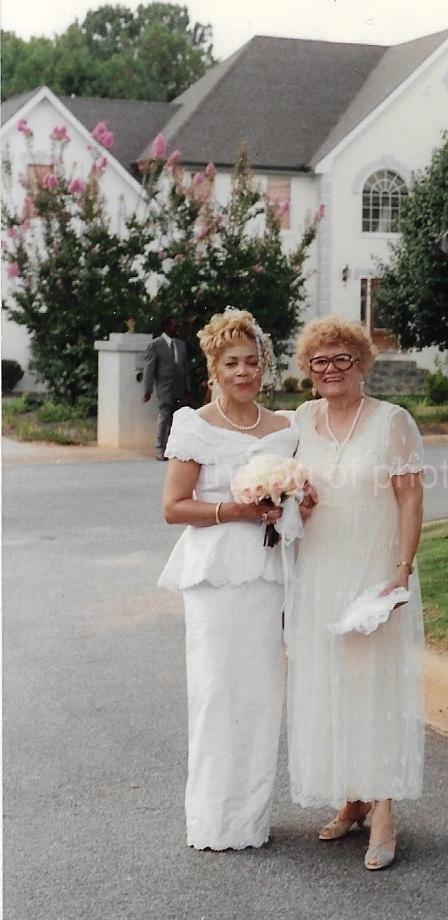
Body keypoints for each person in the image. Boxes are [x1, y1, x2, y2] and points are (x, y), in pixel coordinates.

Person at [158, 308, 301, 851]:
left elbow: (299, 502)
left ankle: (251, 820)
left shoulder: (286, 430)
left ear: (263, 365)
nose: (243, 372)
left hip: (267, 574)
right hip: (216, 576)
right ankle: (214, 821)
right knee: (218, 694)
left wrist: (294, 500)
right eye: (231, 363)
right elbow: (173, 507)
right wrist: (235, 512)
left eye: (251, 362)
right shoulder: (193, 425)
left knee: (263, 693)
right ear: (213, 371)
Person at [286, 316, 426, 871]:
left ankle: (385, 810)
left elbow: (411, 498)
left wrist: (402, 567)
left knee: (373, 687)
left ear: (362, 363)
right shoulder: (299, 419)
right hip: (320, 567)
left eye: (343, 358)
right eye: (320, 362)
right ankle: (350, 797)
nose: (331, 370)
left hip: (373, 568)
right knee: (330, 683)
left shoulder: (393, 421)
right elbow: (291, 490)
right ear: (308, 371)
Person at [143, 317, 190, 460]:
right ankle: (159, 448)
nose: (176, 327)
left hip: (179, 388)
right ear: (166, 327)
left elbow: (185, 368)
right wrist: (148, 389)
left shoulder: (181, 345)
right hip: (164, 387)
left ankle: (172, 448)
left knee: (176, 419)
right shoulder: (155, 345)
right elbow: (149, 368)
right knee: (164, 416)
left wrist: (187, 386)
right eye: (173, 325)